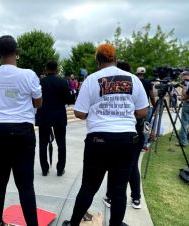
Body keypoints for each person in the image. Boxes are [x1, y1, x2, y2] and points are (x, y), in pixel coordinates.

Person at [62, 44, 148, 226]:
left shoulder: (92, 80)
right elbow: (142, 112)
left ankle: (74, 223)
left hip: (98, 141)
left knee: (88, 188)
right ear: (115, 59)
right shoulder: (133, 79)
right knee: (119, 190)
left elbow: (79, 113)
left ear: (98, 61)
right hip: (127, 140)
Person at [0, 35, 42, 226]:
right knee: (25, 184)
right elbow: (38, 101)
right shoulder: (28, 74)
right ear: (16, 52)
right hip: (22, 129)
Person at [103, 61, 147, 210]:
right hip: (135, 132)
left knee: (113, 166)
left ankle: (110, 196)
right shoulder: (140, 83)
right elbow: (144, 110)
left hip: (121, 131)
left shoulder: (115, 84)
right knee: (132, 166)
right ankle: (136, 198)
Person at [36, 60, 71, 176]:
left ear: (46, 69)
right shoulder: (63, 82)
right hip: (59, 115)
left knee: (43, 144)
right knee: (61, 144)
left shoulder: (40, 82)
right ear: (56, 69)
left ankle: (44, 169)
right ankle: (60, 168)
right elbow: (69, 100)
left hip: (44, 115)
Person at [135, 67, 156, 150]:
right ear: (144, 73)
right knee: (146, 125)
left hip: (135, 108)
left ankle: (135, 143)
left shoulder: (134, 81)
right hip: (145, 107)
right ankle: (144, 144)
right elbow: (151, 96)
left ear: (137, 73)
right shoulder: (148, 82)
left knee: (136, 126)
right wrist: (155, 106)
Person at [178, 71, 189, 147]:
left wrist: (183, 88)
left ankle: (183, 142)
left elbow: (185, 95)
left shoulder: (186, 83)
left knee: (184, 123)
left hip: (187, 104)